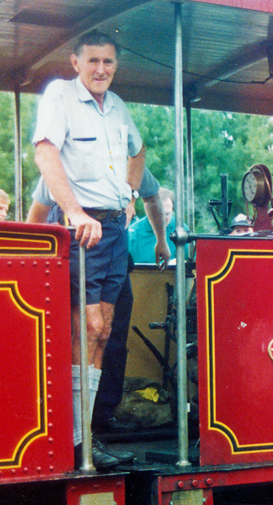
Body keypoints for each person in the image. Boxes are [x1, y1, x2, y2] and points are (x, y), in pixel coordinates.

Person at [32, 29, 146, 469]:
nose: (101, 70)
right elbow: (45, 155)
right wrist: (76, 212)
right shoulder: (59, 96)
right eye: (93, 61)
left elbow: (138, 151)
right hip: (85, 231)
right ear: (75, 62)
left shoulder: (117, 108)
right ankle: (72, 443)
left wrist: (130, 192)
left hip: (116, 228)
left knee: (103, 331)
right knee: (86, 328)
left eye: (109, 63)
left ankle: (87, 437)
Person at [128, 186, 175, 264]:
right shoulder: (132, 234)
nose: (162, 219)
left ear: (172, 210)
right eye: (158, 214)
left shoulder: (181, 230)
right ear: (148, 211)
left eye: (166, 214)